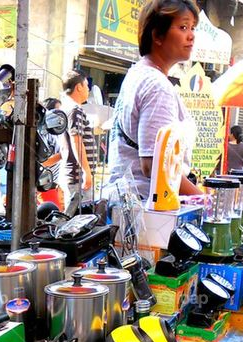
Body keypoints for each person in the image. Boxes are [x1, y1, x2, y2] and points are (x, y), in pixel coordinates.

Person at [107, 0, 202, 200]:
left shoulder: (138, 74)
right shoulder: (157, 86)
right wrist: (203, 200)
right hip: (148, 210)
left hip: (130, 204)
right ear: (158, 35)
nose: (191, 35)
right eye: (183, 27)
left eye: (193, 28)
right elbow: (155, 166)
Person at [60, 71, 96, 212]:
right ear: (79, 87)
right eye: (86, 85)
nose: (88, 89)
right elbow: (77, 141)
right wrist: (86, 171)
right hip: (77, 177)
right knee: (79, 222)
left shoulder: (66, 108)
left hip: (73, 175)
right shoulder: (75, 110)